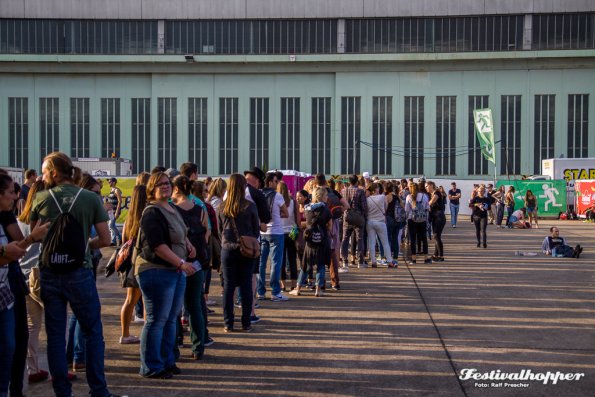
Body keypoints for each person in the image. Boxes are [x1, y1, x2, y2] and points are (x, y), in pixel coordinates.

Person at [29, 152, 118, 397]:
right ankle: (98, 390)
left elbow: (34, 234)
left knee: (56, 335)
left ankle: (62, 391)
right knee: (92, 332)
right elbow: (106, 239)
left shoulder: (40, 198)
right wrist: (84, 245)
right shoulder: (90, 198)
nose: (43, 175)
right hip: (79, 270)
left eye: (45, 171)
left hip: (50, 271)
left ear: (55, 173)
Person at [135, 172, 196, 379]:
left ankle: (167, 360)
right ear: (151, 189)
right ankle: (151, 365)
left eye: (167, 183)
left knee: (171, 320)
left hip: (175, 271)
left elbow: (180, 232)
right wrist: (181, 262)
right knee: (156, 320)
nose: (165, 187)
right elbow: (157, 246)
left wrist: (187, 244)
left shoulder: (171, 208)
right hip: (156, 270)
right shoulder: (152, 212)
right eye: (160, 184)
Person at [171, 176, 209, 360]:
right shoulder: (200, 208)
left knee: (174, 307)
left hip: (176, 261)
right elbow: (207, 232)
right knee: (194, 306)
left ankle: (176, 342)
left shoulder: (171, 209)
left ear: (176, 189)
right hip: (197, 262)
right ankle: (198, 347)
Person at [217, 174, 260, 332]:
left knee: (228, 287)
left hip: (227, 249)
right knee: (246, 285)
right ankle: (246, 322)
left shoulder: (222, 207)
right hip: (246, 249)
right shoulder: (249, 206)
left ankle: (228, 323)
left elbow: (220, 230)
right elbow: (255, 230)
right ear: (243, 187)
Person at [289, 187, 332, 297]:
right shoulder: (326, 210)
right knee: (321, 265)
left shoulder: (307, 208)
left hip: (310, 240)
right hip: (322, 240)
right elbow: (330, 227)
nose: (327, 197)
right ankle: (318, 289)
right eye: (326, 195)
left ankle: (298, 288)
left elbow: (306, 223)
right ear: (322, 197)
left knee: (305, 264)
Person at [118, 185, 146, 345]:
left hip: (130, 263)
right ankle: (147, 334)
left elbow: (123, 241)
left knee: (130, 300)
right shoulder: (147, 215)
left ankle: (125, 334)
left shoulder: (130, 217)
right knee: (148, 301)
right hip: (144, 262)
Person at [257, 173, 289, 302]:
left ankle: (260, 291)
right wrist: (276, 215)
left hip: (262, 231)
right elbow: (286, 213)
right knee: (276, 262)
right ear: (270, 182)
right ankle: (275, 292)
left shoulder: (258, 194)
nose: (277, 184)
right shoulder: (277, 196)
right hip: (276, 231)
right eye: (276, 181)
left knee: (261, 263)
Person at [366, 183, 397, 268]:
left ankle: (373, 262)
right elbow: (385, 208)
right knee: (385, 243)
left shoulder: (368, 199)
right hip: (380, 221)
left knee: (371, 242)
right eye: (378, 187)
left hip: (370, 222)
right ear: (375, 189)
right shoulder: (382, 197)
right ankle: (390, 262)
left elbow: (366, 210)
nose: (379, 189)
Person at [340, 174, 368, 268]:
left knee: (345, 239)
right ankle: (360, 262)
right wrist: (364, 216)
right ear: (357, 182)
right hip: (358, 217)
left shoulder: (343, 191)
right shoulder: (360, 191)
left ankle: (344, 261)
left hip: (347, 217)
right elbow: (364, 206)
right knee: (360, 239)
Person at [277, 181, 299, 291]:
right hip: (292, 233)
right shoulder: (293, 202)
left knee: (281, 260)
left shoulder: (277, 202)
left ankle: (282, 284)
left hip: (280, 232)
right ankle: (294, 283)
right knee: (292, 259)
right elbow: (298, 220)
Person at [405, 181, 430, 264]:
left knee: (413, 239)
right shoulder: (424, 196)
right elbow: (427, 207)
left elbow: (407, 210)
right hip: (422, 219)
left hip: (412, 220)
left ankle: (414, 259)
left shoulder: (409, 197)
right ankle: (426, 258)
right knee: (424, 239)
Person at [427, 181, 446, 261]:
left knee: (436, 236)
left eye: (427, 186)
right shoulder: (432, 194)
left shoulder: (437, 193)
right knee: (436, 236)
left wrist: (423, 205)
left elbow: (431, 203)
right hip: (435, 217)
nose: (426, 188)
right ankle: (435, 254)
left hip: (439, 217)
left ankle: (441, 256)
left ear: (431, 185)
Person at [107, 177, 123, 246]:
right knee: (111, 225)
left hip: (115, 211)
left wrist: (117, 212)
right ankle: (113, 241)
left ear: (114, 182)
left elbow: (120, 201)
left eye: (110, 182)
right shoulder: (111, 190)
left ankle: (120, 237)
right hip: (111, 212)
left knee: (111, 225)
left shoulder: (117, 190)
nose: (108, 183)